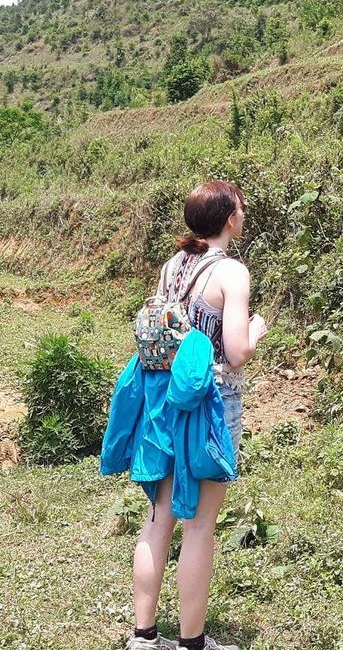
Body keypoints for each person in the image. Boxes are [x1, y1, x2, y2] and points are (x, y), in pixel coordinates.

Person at [128, 179, 267, 650]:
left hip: (163, 401)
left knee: (158, 516)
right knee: (200, 524)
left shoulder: (172, 266)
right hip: (210, 404)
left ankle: (144, 637)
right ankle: (192, 643)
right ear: (229, 219)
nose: (244, 215)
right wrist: (256, 329)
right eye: (241, 209)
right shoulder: (231, 273)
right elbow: (235, 352)